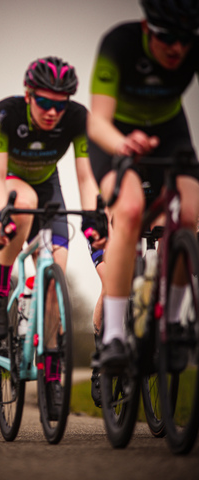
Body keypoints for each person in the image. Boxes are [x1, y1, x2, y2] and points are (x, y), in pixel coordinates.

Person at [0, 56, 105, 416]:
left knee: (54, 283)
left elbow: (85, 177)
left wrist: (94, 215)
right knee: (24, 203)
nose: (52, 112)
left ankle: (51, 376)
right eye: (45, 102)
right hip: (5, 186)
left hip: (51, 191)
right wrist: (3, 215)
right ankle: (0, 290)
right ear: (28, 94)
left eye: (60, 105)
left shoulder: (78, 118)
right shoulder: (6, 114)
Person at [87, 0, 199, 374]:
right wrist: (122, 144)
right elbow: (98, 121)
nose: (177, 49)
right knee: (130, 208)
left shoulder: (188, 49)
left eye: (185, 39)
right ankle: (115, 334)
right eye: (167, 38)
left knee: (190, 213)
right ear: (147, 28)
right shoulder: (119, 44)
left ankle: (174, 321)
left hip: (169, 130)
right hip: (115, 135)